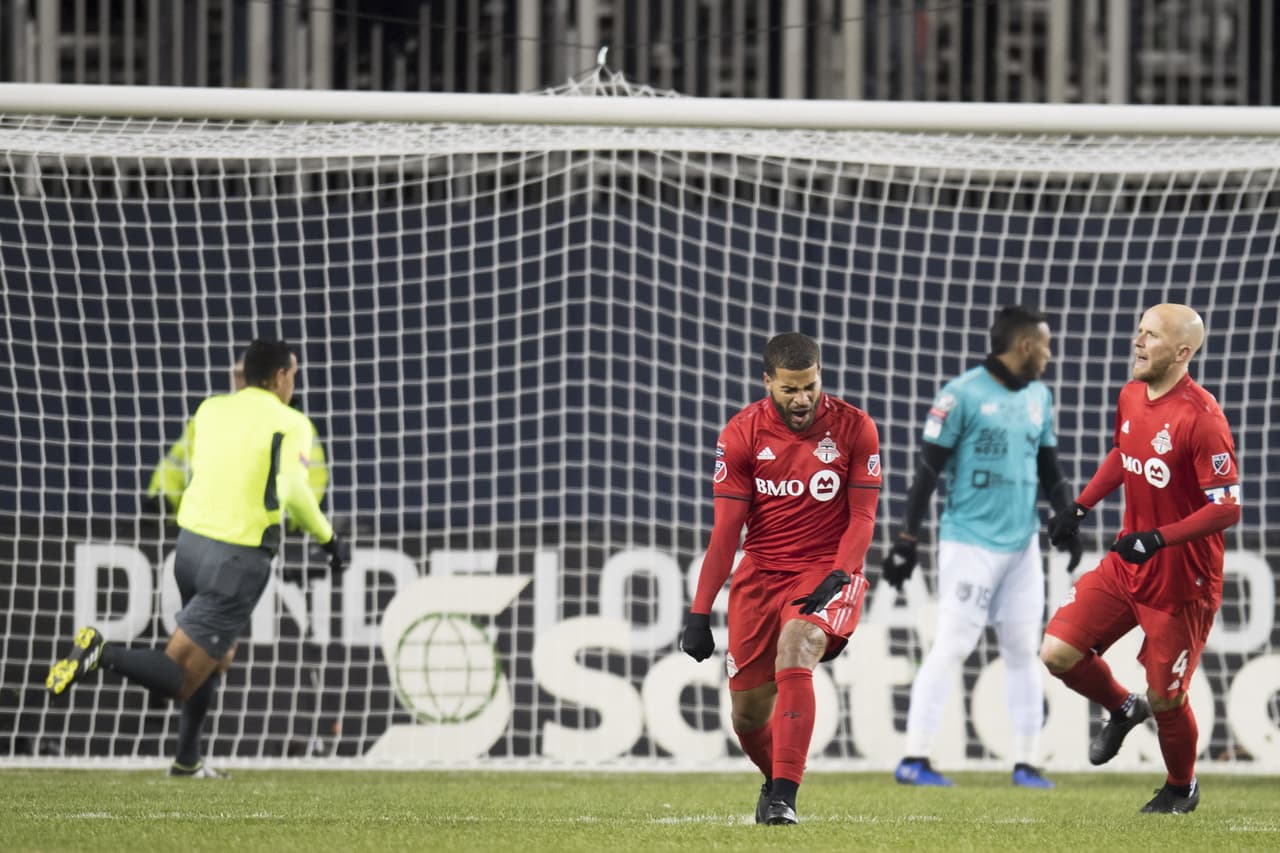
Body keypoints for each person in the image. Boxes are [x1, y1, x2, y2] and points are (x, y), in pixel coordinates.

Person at [46, 340, 345, 777]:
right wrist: (329, 540)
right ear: (281, 376)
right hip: (237, 559)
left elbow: (194, 468)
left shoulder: (209, 410)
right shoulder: (292, 422)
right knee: (184, 676)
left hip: (188, 548)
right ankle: (100, 652)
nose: (293, 382)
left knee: (216, 657)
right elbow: (296, 492)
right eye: (292, 374)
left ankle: (187, 761)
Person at [1041, 303, 1240, 814]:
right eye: (1139, 332)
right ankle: (1123, 708)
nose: (1138, 342)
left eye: (1150, 336)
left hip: (1181, 580)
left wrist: (1158, 539)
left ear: (1181, 352)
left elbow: (1228, 508)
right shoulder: (1131, 395)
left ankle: (1181, 787)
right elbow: (1124, 453)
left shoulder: (1203, 419)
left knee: (1168, 697)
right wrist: (1080, 506)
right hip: (1127, 564)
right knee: (1057, 653)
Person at [680, 332, 881, 825]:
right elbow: (726, 532)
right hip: (760, 577)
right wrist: (699, 612)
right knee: (747, 718)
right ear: (767, 380)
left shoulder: (856, 429)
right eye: (790, 389)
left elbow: (863, 517)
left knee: (798, 645)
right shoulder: (741, 434)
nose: (802, 399)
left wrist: (841, 570)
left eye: (810, 386)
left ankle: (785, 801)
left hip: (824, 574)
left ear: (820, 376)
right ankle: (775, 781)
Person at [881, 305, 1080, 789]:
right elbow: (927, 472)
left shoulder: (1039, 396)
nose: (1050, 356)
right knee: (953, 644)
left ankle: (1026, 763)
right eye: (1046, 346)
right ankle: (914, 758)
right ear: (1026, 346)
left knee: (1022, 650)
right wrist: (907, 539)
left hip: (1021, 546)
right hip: (969, 543)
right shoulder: (960, 394)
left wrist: (1068, 517)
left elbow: (1049, 468)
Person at [147, 357, 329, 516]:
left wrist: (296, 515)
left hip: (270, 528)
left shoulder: (293, 424)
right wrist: (163, 498)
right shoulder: (210, 416)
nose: (244, 382)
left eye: (248, 375)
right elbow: (176, 464)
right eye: (239, 375)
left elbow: (314, 475)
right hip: (211, 524)